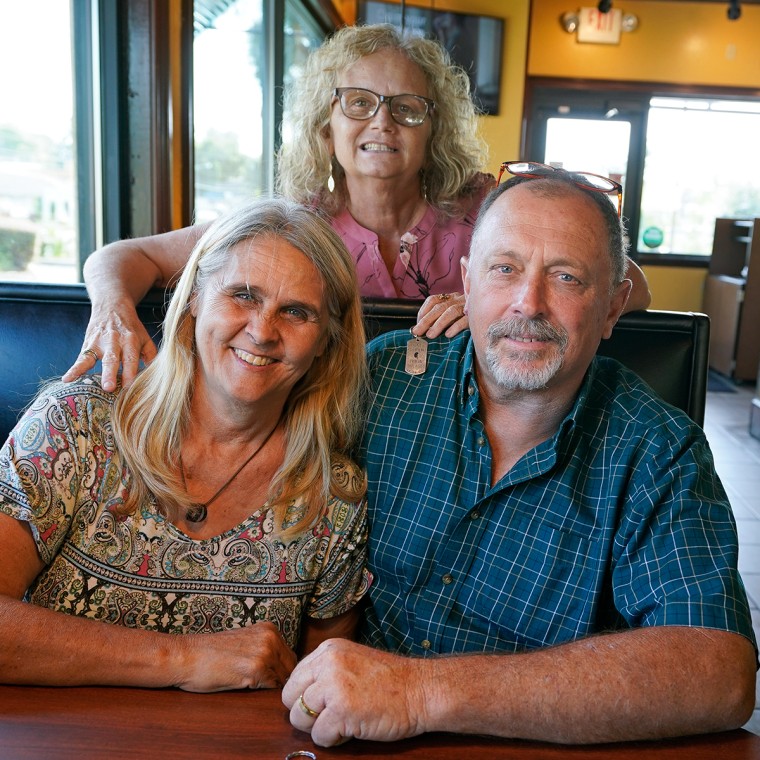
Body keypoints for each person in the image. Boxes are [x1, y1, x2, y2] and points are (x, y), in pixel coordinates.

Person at [281, 166, 757, 746]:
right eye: (504, 269)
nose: (527, 304)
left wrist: (419, 692)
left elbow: (718, 673)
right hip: (345, 736)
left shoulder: (657, 450)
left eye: (566, 277)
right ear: (467, 282)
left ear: (613, 306)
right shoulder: (386, 379)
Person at [63, 23, 651, 392]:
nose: (383, 121)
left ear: (434, 127)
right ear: (326, 123)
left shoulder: (489, 205)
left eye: (406, 108)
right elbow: (124, 256)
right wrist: (113, 307)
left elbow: (631, 285)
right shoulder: (289, 222)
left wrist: (495, 306)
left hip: (458, 436)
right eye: (358, 102)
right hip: (320, 430)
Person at [0, 198, 371, 691]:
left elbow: (316, 700)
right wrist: (184, 659)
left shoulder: (334, 495)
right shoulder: (75, 426)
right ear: (195, 297)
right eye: (242, 295)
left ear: (327, 338)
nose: (262, 332)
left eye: (296, 312)